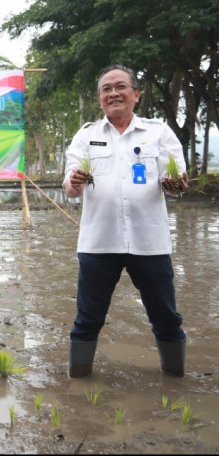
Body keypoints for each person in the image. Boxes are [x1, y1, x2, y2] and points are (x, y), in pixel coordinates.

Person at [63, 64, 188, 378]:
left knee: (166, 317)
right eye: (106, 89)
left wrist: (176, 184)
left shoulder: (158, 133)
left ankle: (175, 378)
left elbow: (174, 183)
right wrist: (74, 183)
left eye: (120, 86)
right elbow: (69, 187)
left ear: (136, 94)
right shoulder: (87, 135)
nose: (113, 93)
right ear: (100, 98)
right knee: (87, 318)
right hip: (98, 243)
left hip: (151, 243)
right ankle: (78, 382)